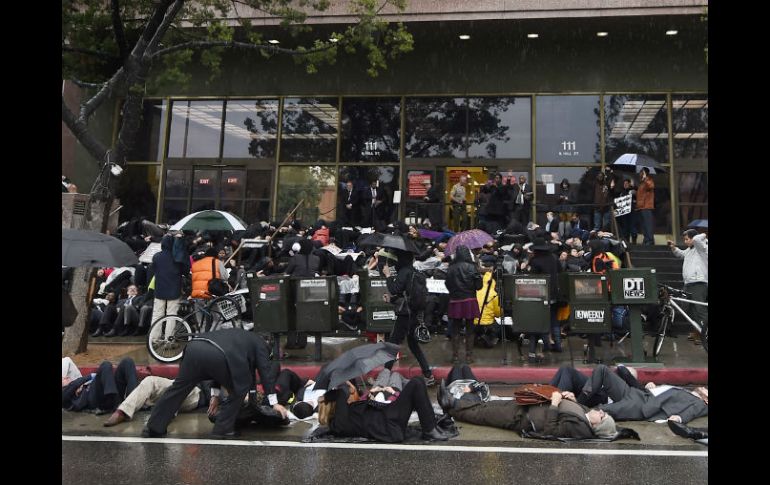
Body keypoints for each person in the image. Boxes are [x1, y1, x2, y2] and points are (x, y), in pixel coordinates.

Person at [143, 328, 285, 439]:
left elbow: (217, 365)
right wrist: (274, 403)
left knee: (178, 389)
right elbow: (265, 374)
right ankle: (222, 429)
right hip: (218, 356)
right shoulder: (261, 345)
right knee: (241, 388)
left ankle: (154, 427)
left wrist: (215, 396)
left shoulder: (237, 335)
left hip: (193, 348)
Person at [438, 380, 617, 439]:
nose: (601, 412)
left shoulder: (580, 428)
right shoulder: (585, 414)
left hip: (524, 418)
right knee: (487, 406)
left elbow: (550, 430)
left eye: (602, 417)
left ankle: (451, 405)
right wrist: (571, 398)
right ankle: (452, 403)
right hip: (529, 407)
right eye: (603, 412)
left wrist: (555, 404)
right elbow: (573, 408)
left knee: (483, 414)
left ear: (596, 426)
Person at [318, 378, 449, 442]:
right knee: (415, 383)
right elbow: (341, 397)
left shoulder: (350, 410)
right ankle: (430, 430)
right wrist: (336, 394)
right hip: (388, 423)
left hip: (388, 414)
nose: (348, 394)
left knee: (418, 382)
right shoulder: (338, 424)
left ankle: (431, 427)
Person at [579, 364, 708, 424]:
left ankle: (575, 414)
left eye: (706, 390)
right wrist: (652, 388)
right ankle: (578, 403)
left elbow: (693, 412)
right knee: (602, 370)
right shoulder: (685, 392)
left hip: (640, 406)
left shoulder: (699, 403)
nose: (703, 388)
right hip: (637, 394)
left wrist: (679, 419)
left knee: (598, 411)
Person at [382, 250, 436, 385]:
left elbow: (395, 288)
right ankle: (428, 375)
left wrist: (388, 275)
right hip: (415, 313)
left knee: (392, 344)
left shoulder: (404, 272)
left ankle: (383, 377)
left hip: (404, 314)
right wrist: (392, 300)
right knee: (413, 345)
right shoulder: (417, 273)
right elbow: (408, 294)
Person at [103, 377, 214, 427]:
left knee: (178, 388)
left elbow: (211, 384)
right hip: (177, 382)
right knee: (149, 380)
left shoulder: (211, 358)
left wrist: (213, 399)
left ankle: (165, 414)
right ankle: (122, 412)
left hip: (195, 392)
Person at [667, 229, 708, 341]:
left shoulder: (702, 247)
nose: (685, 242)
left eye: (687, 239)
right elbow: (681, 254)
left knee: (700, 310)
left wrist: (704, 234)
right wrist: (674, 247)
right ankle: (697, 330)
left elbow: (696, 239)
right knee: (687, 308)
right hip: (688, 284)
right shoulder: (690, 250)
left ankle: (703, 334)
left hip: (699, 283)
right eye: (684, 239)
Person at [445, 245, 483, 364]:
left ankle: (455, 356)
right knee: (470, 330)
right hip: (469, 300)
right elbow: (479, 286)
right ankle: (469, 356)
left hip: (455, 300)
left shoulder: (451, 267)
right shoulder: (472, 267)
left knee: (455, 329)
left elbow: (447, 284)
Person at [62, 358, 138, 413]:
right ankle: (115, 403)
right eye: (63, 379)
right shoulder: (65, 394)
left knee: (127, 362)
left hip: (108, 392)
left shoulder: (78, 384)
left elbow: (75, 381)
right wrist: (90, 376)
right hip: (96, 400)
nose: (67, 377)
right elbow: (73, 385)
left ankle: (133, 401)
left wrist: (82, 383)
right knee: (106, 365)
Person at [150, 235, 188, 329]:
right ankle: (169, 340)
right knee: (172, 315)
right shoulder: (177, 257)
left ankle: (154, 338)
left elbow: (153, 269)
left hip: (159, 289)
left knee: (157, 315)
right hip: (174, 289)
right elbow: (185, 271)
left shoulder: (156, 256)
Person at [635, 167, 655, 245]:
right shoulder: (642, 183)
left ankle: (650, 240)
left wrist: (646, 178)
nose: (639, 173)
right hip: (641, 207)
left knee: (648, 224)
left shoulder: (649, 180)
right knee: (644, 225)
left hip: (647, 207)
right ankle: (646, 239)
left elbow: (651, 186)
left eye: (641, 172)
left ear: (644, 173)